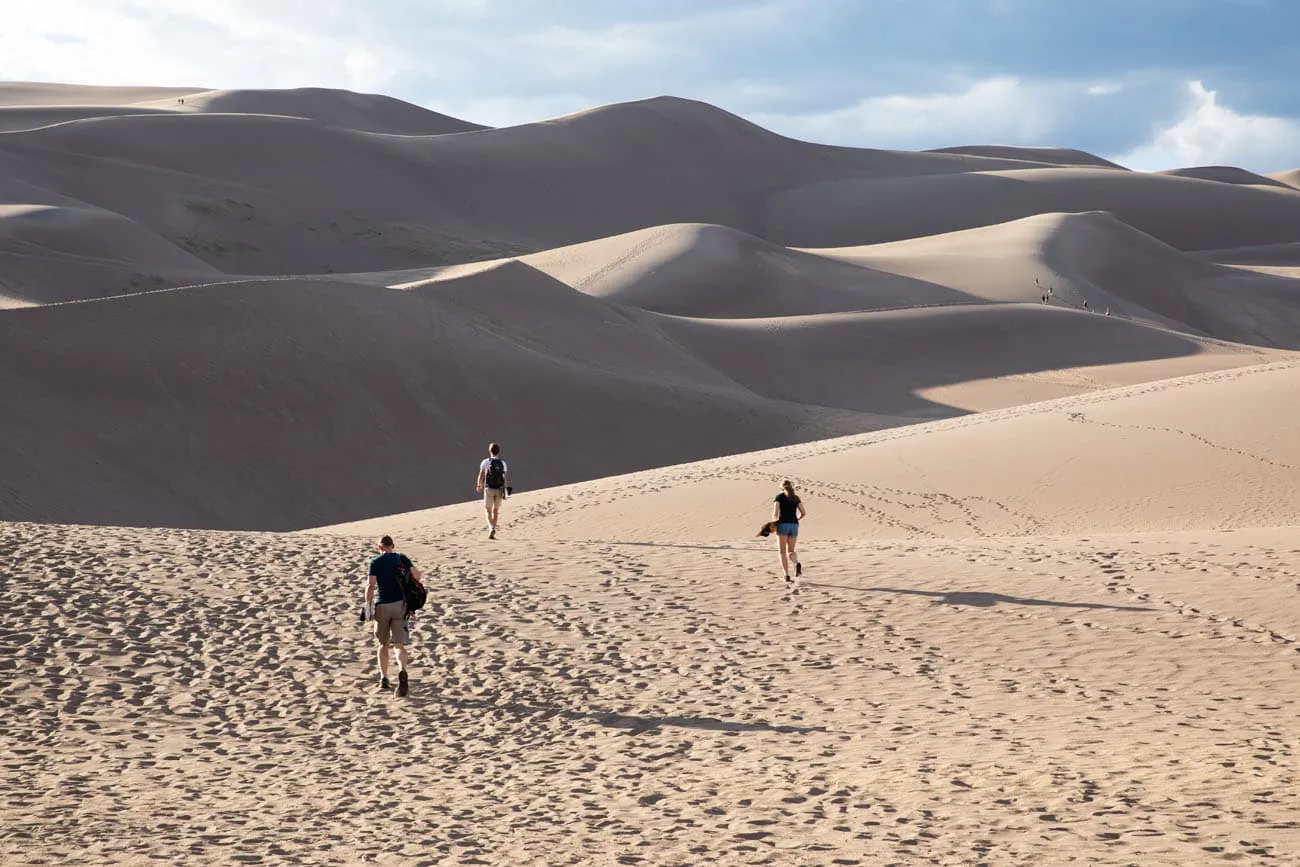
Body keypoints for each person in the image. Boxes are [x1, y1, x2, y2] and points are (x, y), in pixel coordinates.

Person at [365, 535, 421, 697]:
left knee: (383, 643)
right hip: (400, 606)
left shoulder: (375, 562)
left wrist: (368, 605)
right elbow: (417, 576)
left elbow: (370, 585)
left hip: (382, 605)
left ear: (379, 547)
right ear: (392, 546)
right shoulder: (401, 559)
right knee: (399, 645)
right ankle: (402, 670)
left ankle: (384, 678)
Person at [772, 480, 807, 585]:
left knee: (782, 552)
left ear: (781, 488)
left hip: (783, 525)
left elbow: (775, 514)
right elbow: (804, 513)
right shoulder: (796, 498)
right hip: (794, 525)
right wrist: (796, 519)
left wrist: (774, 525)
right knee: (791, 550)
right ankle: (796, 563)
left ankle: (786, 575)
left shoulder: (779, 497)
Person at [476, 442, 510, 539]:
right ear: (498, 452)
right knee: (496, 510)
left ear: (489, 451)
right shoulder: (503, 463)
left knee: (488, 510)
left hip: (489, 489)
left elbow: (481, 475)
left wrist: (479, 485)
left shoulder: (485, 462)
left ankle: (491, 528)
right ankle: (493, 528)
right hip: (499, 489)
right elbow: (504, 478)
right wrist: (506, 490)